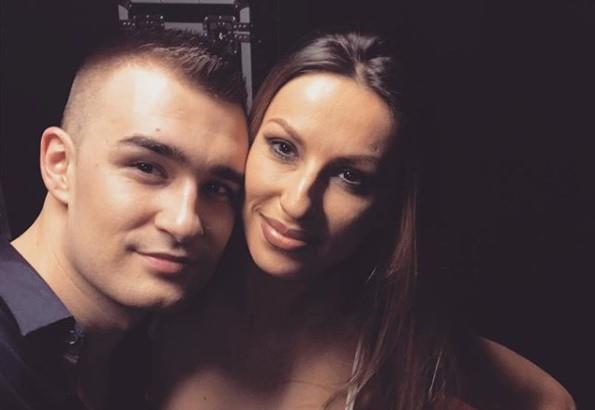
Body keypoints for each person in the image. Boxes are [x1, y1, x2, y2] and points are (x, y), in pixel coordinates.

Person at [152, 32, 574, 409]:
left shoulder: (395, 343)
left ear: (385, 207)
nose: (298, 203)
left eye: (349, 177)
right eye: (283, 148)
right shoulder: (167, 289)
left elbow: (550, 400)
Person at [0, 29, 249, 410]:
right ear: (60, 165)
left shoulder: (145, 356)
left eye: (217, 188)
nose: (185, 223)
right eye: (147, 167)